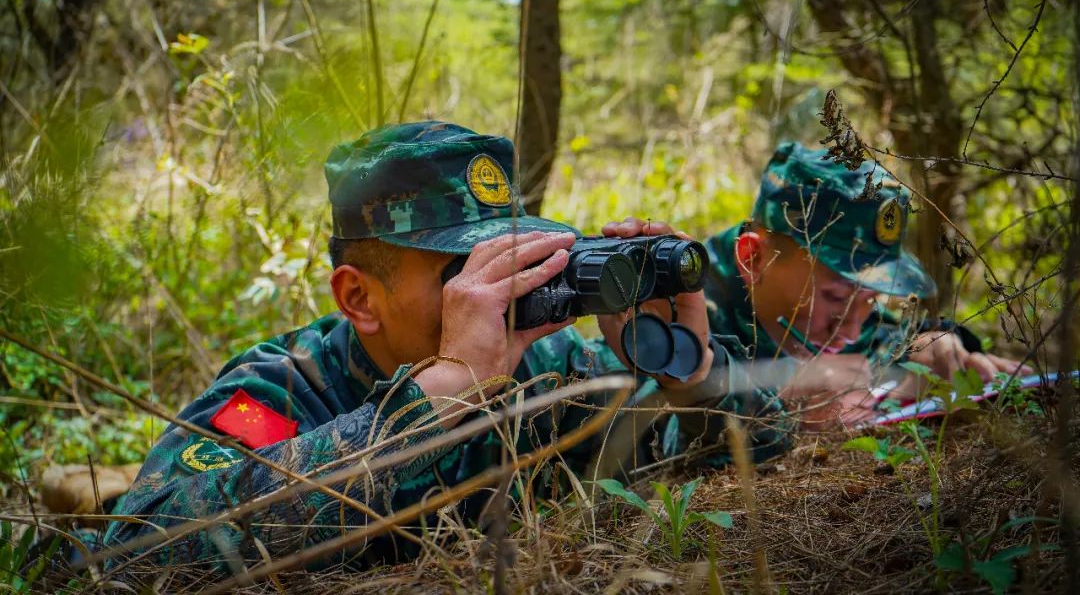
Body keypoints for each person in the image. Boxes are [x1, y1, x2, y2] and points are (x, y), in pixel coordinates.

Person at [99, 121, 777, 575]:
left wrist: (690, 371)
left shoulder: (546, 371)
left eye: (510, 259)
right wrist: (441, 391)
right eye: (465, 275)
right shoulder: (279, 395)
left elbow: (766, 445)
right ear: (359, 298)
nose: (498, 296)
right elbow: (135, 552)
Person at [702, 142, 1031, 429]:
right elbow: (661, 432)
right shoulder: (680, 308)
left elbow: (883, 342)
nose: (850, 329)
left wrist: (930, 346)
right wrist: (777, 405)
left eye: (871, 299)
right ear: (753, 259)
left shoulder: (825, 312)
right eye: (835, 297)